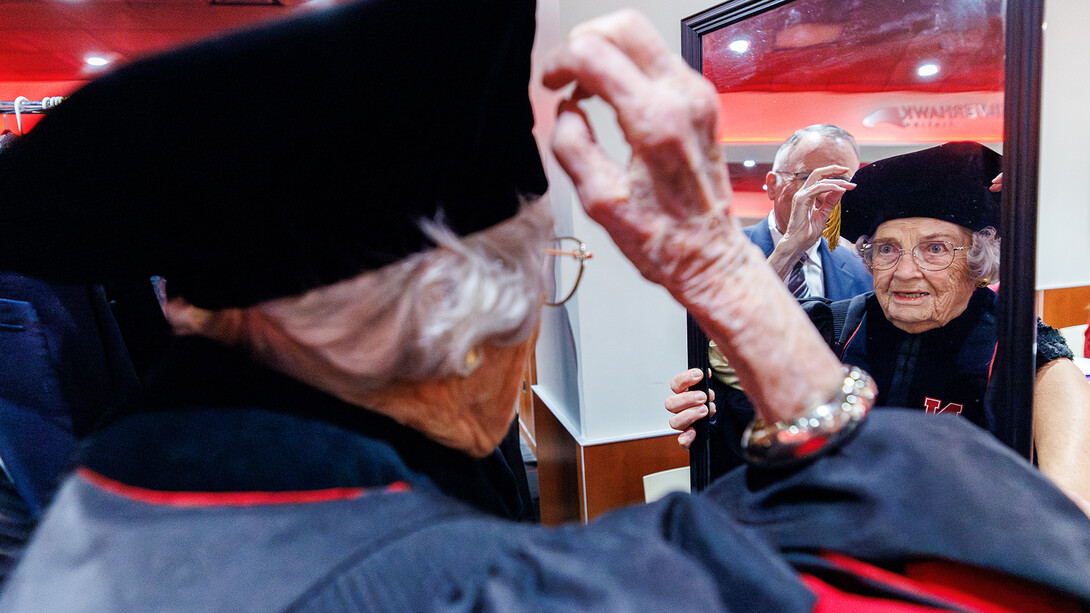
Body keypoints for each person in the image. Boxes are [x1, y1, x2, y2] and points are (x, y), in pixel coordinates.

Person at [0, 3, 1089, 610]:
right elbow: (990, 583)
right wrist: (721, 275)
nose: (903, 270)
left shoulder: (114, 487)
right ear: (476, 331)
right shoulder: (463, 592)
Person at [669, 141, 1090, 509]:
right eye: (887, 249)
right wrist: (789, 249)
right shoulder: (834, 327)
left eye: (936, 248)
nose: (905, 271)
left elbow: (1069, 515)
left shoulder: (1028, 355)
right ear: (867, 259)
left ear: (976, 261)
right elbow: (730, 354)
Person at [746, 124, 872, 301]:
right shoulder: (721, 253)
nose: (824, 194)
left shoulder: (860, 271)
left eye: (839, 181)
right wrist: (788, 251)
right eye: (807, 178)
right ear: (773, 185)